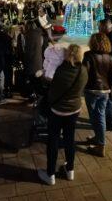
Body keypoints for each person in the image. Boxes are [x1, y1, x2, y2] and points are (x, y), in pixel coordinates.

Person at [37, 45, 88, 186]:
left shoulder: (61, 70)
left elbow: (53, 92)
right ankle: (70, 170)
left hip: (58, 111)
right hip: (74, 109)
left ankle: (50, 174)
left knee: (53, 140)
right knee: (69, 138)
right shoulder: (83, 70)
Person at [83, 33, 112, 157]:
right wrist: (108, 84)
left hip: (92, 90)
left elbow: (84, 73)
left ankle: (101, 145)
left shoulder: (88, 55)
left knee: (96, 117)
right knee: (100, 115)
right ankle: (98, 138)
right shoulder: (110, 57)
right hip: (105, 91)